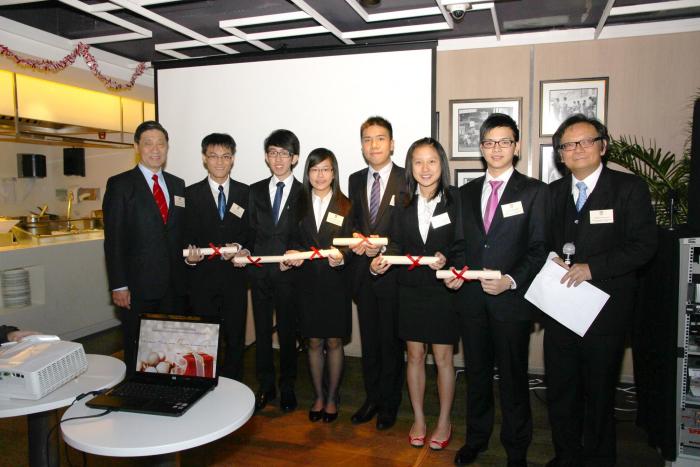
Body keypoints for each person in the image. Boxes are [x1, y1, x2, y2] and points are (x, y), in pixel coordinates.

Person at [544, 114, 657, 467]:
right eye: (567, 145)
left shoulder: (628, 189)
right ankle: (566, 456)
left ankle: (597, 459)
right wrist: (549, 257)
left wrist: (593, 268)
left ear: (602, 146)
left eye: (585, 141)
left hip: (605, 311)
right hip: (561, 308)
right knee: (561, 391)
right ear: (560, 155)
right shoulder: (552, 193)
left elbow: (644, 246)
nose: (576, 149)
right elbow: (543, 241)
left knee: (599, 392)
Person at [446, 113, 550, 467]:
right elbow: (460, 244)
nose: (497, 149)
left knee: (513, 379)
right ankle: (476, 438)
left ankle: (516, 449)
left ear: (516, 147)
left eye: (505, 142)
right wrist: (459, 271)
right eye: (489, 142)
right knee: (475, 376)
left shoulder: (535, 192)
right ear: (481, 147)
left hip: (511, 302)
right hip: (472, 301)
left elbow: (539, 249)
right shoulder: (465, 193)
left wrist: (511, 280)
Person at [371, 137, 462, 450]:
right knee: (414, 355)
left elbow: (462, 245)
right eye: (418, 162)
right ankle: (420, 418)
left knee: (443, 358)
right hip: (409, 289)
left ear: (442, 165)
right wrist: (384, 259)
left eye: (432, 161)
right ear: (410, 166)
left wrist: (449, 263)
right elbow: (395, 243)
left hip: (442, 290)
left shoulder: (456, 201)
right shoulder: (402, 201)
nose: (425, 168)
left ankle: (444, 420)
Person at [103, 120, 186, 371]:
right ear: (137, 146)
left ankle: (169, 391)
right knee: (138, 345)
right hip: (137, 286)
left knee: (170, 347)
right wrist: (119, 284)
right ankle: (134, 394)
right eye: (148, 143)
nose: (155, 149)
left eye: (161, 143)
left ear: (167, 147)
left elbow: (179, 232)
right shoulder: (120, 185)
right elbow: (113, 240)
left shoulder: (177, 184)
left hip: (173, 285)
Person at [282, 148, 353, 424]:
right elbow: (291, 240)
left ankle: (333, 397)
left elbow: (353, 246)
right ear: (307, 173)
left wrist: (342, 258)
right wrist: (293, 255)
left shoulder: (346, 205)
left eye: (325, 169)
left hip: (336, 284)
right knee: (313, 342)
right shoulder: (297, 203)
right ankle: (318, 397)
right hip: (307, 284)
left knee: (334, 341)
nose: (320, 175)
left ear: (334, 172)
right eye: (314, 169)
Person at [348, 116, 406, 430]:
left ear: (392, 143)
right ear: (362, 146)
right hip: (362, 275)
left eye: (380, 138)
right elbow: (354, 222)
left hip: (392, 274)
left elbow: (409, 229)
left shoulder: (406, 179)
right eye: (368, 139)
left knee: (391, 343)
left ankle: (390, 403)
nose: (374, 145)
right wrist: (357, 238)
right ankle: (372, 398)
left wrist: (383, 251)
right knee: (370, 342)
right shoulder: (355, 180)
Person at [184, 133, 251, 381]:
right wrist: (189, 258)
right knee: (205, 338)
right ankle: (203, 386)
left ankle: (234, 388)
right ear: (204, 159)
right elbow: (182, 235)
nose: (220, 162)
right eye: (213, 156)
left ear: (232, 159)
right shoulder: (189, 194)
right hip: (202, 281)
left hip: (235, 279)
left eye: (225, 156)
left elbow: (252, 233)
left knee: (235, 339)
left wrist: (242, 246)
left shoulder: (246, 193)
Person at [247, 129, 302, 412]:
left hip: (290, 277)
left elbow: (306, 234)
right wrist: (241, 250)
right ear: (266, 157)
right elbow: (249, 232)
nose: (278, 159)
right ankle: (266, 385)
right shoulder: (254, 190)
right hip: (259, 276)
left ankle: (289, 386)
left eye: (284, 153)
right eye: (272, 153)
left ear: (294, 158)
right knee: (263, 333)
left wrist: (296, 253)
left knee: (289, 333)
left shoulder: (305, 192)